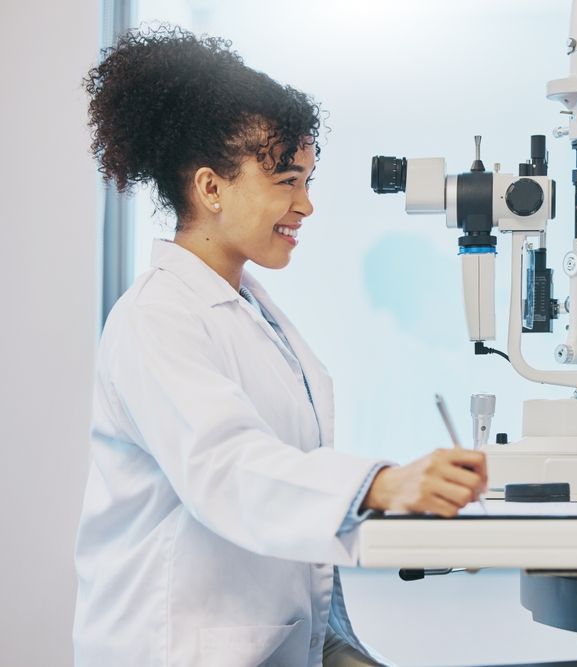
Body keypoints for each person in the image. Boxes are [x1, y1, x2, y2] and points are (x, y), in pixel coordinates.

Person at [73, 27, 487, 666]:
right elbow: (228, 467)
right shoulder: (156, 318)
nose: (307, 205)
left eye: (308, 180)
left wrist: (339, 646)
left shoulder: (254, 314)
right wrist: (381, 485)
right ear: (211, 188)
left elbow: (287, 510)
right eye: (287, 181)